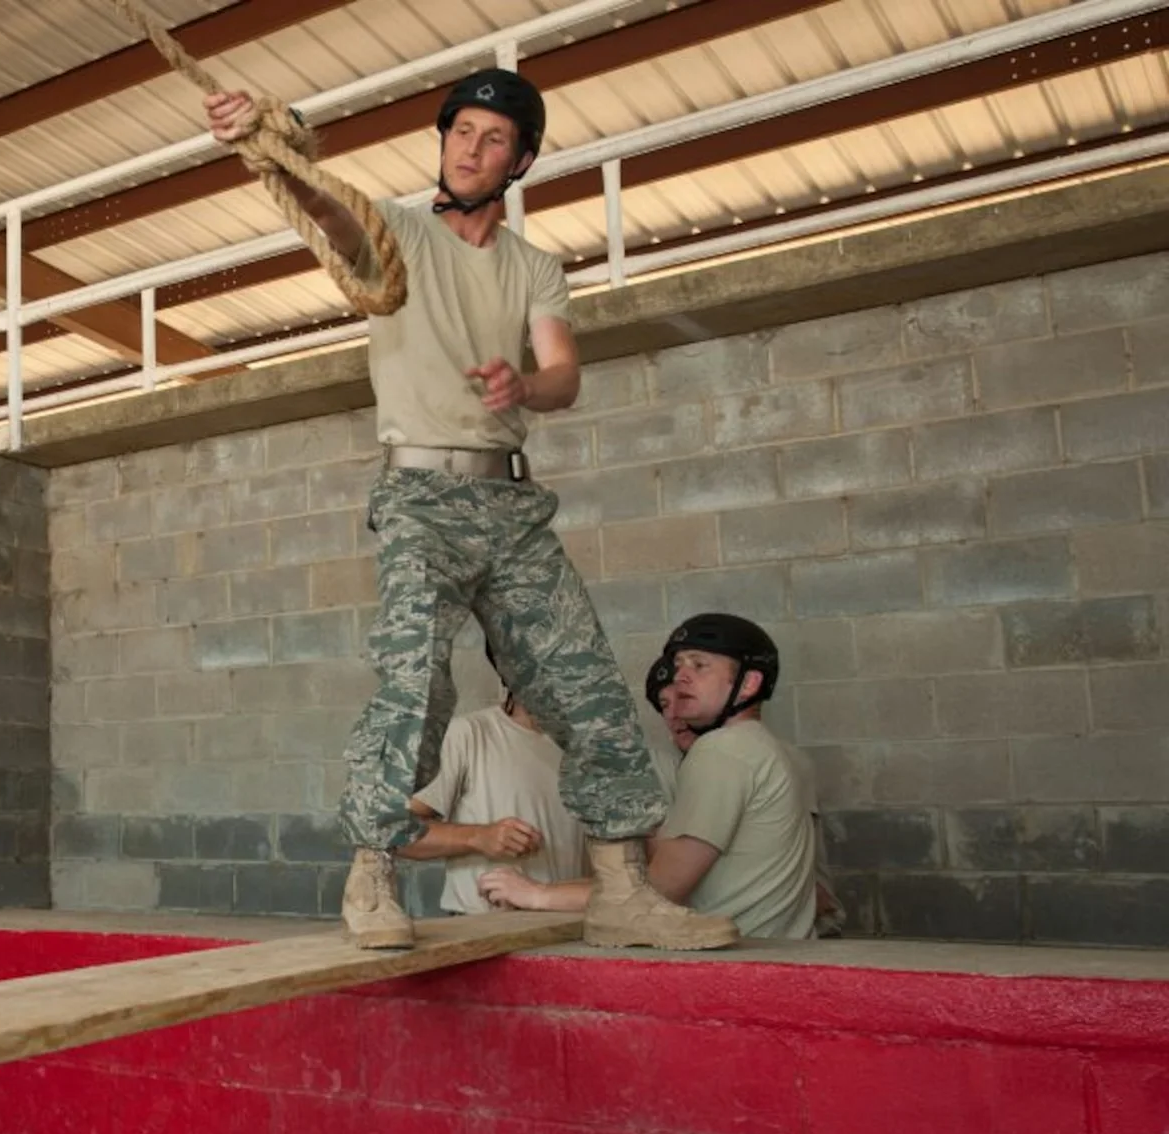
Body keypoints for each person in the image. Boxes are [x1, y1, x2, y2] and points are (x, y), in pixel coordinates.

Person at [206, 73, 736, 952]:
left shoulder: (534, 266)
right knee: (413, 683)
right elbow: (333, 215)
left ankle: (619, 887)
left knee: (590, 686)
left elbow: (563, 373)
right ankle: (372, 872)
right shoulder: (403, 232)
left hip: (511, 499)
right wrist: (273, 144)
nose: (469, 148)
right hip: (420, 497)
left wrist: (522, 383)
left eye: (493, 138)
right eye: (461, 131)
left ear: (520, 160)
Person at [479, 615, 817, 938]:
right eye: (678, 665)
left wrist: (537, 895)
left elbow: (658, 890)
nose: (680, 676)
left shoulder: (722, 751)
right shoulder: (775, 750)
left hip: (738, 963)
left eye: (699, 665)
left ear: (749, 683)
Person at [647, 647, 844, 936]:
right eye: (665, 705)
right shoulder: (669, 766)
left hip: (775, 934)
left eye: (683, 700)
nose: (675, 714)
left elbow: (664, 885)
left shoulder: (735, 754)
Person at [399, 681, 585, 915]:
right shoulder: (468, 734)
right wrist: (478, 837)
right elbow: (395, 833)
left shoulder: (588, 748)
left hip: (573, 930)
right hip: (483, 931)